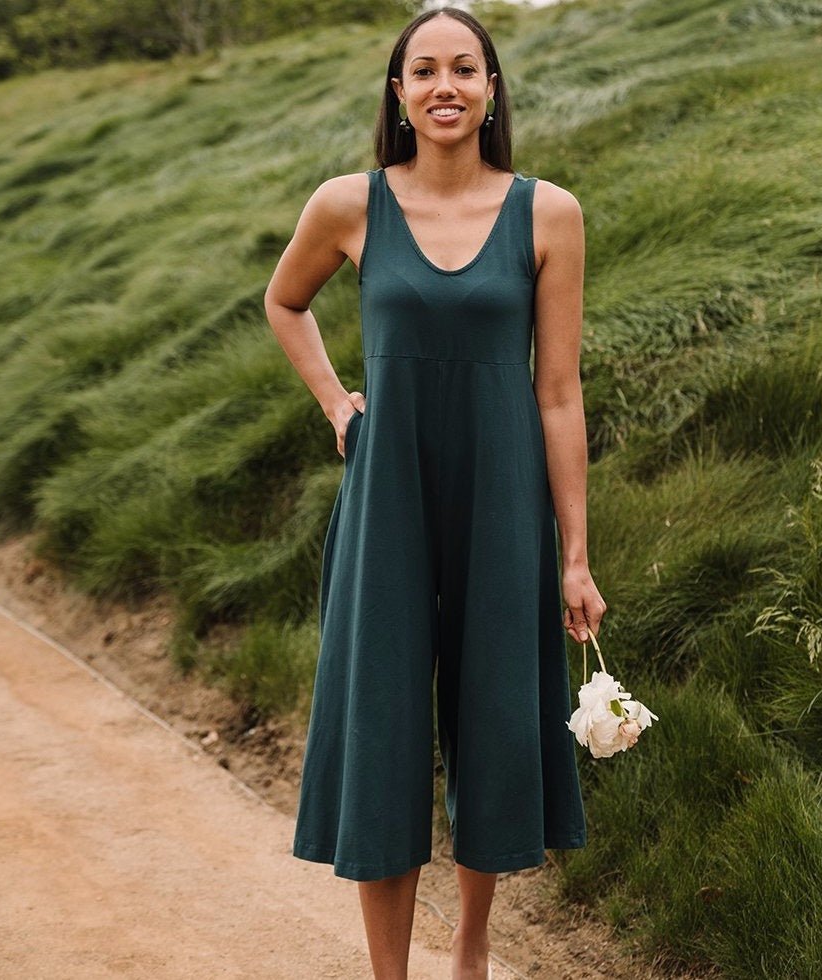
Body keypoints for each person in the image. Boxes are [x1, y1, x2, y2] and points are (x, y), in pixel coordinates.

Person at [263, 6, 607, 978]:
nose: (444, 86)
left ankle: (469, 944)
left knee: (494, 718)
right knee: (382, 726)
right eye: (424, 71)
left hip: (503, 496)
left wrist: (573, 555)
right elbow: (282, 301)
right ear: (398, 92)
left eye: (464, 68)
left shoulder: (548, 213)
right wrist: (336, 401)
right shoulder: (348, 204)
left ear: (491, 88)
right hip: (389, 496)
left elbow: (557, 390)